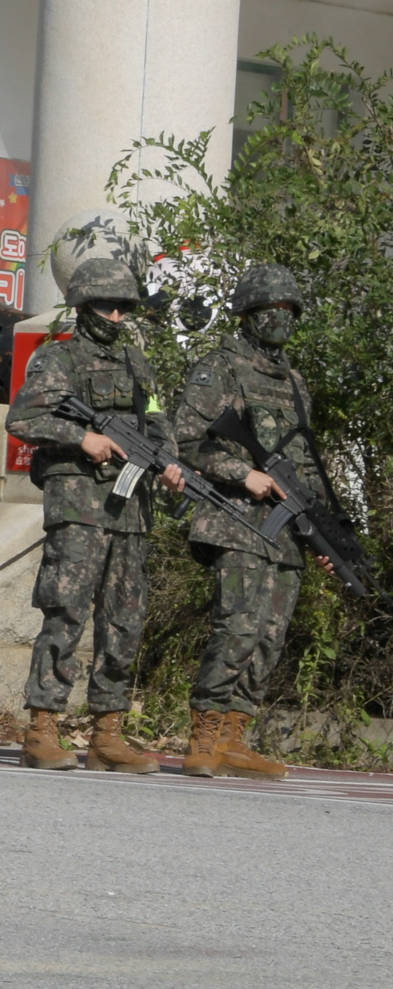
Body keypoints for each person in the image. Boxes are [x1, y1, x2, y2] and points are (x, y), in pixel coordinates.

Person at [1, 257, 181, 773]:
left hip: (131, 510)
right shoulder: (58, 361)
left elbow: (157, 422)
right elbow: (23, 417)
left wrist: (167, 462)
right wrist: (82, 437)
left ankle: (108, 733)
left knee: (125, 620)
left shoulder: (137, 364)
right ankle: (42, 728)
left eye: (125, 306)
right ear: (84, 305)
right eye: (109, 305)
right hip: (79, 506)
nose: (118, 315)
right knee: (67, 611)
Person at [172, 264, 333, 780]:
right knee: (238, 625)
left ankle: (234, 736)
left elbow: (305, 462)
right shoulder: (220, 369)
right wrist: (245, 474)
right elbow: (188, 438)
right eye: (271, 310)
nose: (281, 319)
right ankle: (204, 734)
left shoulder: (294, 383)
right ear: (247, 314)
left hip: (285, 529)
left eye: (289, 310)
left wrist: (326, 535)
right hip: (235, 519)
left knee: (270, 634)